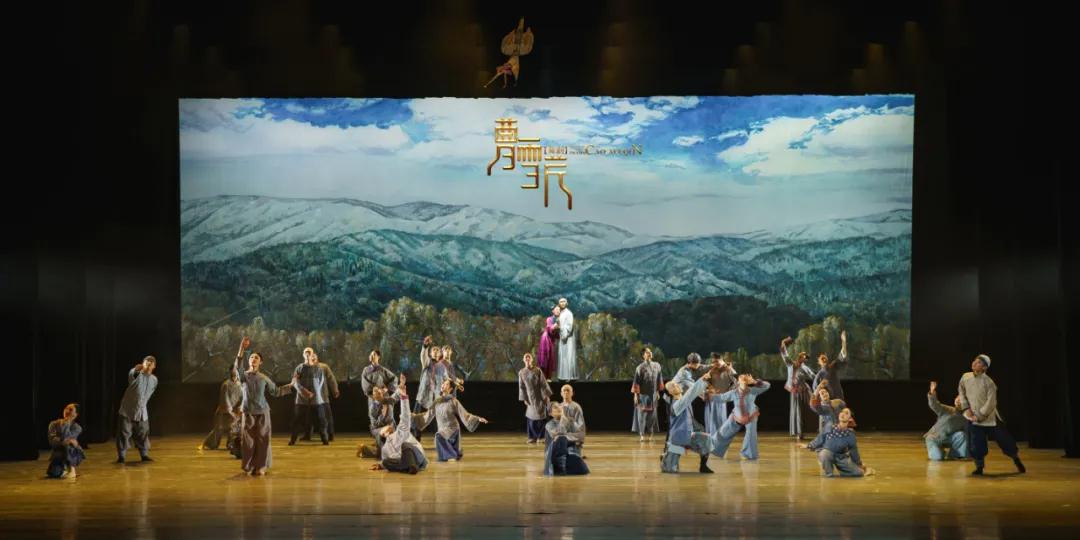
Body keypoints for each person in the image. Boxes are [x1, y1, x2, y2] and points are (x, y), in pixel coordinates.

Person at [234, 337, 294, 475]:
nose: (253, 359)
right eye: (251, 357)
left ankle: (261, 466)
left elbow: (276, 391)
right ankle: (249, 466)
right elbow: (238, 365)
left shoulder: (264, 378)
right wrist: (242, 348)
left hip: (262, 412)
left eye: (256, 358)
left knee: (263, 440)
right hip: (248, 412)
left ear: (260, 362)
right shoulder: (243, 376)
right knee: (248, 441)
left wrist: (291, 385)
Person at [958, 354, 1025, 475]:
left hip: (990, 419)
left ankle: (1015, 458)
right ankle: (979, 467)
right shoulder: (965, 377)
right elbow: (961, 391)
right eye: (974, 361)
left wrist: (979, 416)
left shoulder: (989, 383)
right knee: (976, 444)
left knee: (1005, 441)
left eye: (978, 362)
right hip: (973, 418)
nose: (974, 363)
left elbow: (991, 402)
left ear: (984, 367)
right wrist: (966, 408)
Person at [416, 379, 489, 461]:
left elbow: (464, 414)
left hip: (453, 429)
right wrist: (412, 417)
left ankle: (451, 455)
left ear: (450, 389)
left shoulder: (453, 401)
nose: (443, 385)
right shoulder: (437, 401)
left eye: (446, 384)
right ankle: (453, 453)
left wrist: (477, 418)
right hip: (442, 430)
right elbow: (427, 415)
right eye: (443, 383)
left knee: (438, 436)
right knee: (440, 436)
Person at [371, 375, 428, 474]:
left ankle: (411, 466)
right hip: (402, 461)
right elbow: (374, 424)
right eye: (377, 394)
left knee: (405, 445)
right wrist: (381, 465)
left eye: (381, 393)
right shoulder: (385, 449)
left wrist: (403, 395)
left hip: (415, 457)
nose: (380, 395)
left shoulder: (400, 430)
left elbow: (405, 415)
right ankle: (406, 467)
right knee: (385, 462)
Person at [661, 371, 715, 473]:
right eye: (673, 386)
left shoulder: (684, 401)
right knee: (670, 469)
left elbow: (691, 392)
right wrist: (702, 380)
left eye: (676, 384)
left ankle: (703, 466)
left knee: (707, 440)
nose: (676, 385)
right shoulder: (676, 405)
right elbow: (691, 393)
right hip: (677, 439)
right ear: (670, 393)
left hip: (688, 436)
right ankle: (666, 457)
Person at [712, 374, 771, 460]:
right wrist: (708, 396)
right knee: (724, 431)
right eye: (742, 378)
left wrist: (755, 382)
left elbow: (767, 386)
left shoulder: (753, 391)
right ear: (738, 382)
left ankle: (749, 454)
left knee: (751, 435)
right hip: (736, 416)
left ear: (747, 382)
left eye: (745, 379)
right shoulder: (734, 393)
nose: (743, 379)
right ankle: (713, 447)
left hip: (751, 416)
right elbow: (721, 398)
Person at [116, 355, 159, 464]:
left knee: (143, 433)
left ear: (154, 366)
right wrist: (138, 368)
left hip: (142, 411)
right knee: (124, 433)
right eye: (147, 362)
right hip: (127, 410)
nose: (149, 363)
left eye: (151, 362)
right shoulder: (135, 375)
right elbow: (134, 372)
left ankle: (144, 455)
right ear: (143, 364)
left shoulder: (154, 380)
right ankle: (121, 456)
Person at [810, 408, 875, 477]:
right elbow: (820, 438)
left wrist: (859, 464)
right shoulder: (830, 426)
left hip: (841, 457)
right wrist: (810, 445)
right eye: (842, 412)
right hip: (828, 453)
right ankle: (829, 473)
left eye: (846, 413)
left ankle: (860, 469)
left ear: (850, 419)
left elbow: (854, 451)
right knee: (824, 454)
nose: (843, 414)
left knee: (858, 473)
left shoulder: (850, 434)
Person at [289, 347, 335, 445]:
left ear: (312, 355)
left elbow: (321, 382)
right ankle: (293, 439)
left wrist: (316, 393)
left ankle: (325, 439)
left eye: (309, 352)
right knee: (297, 420)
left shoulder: (319, 369)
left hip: (316, 400)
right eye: (306, 352)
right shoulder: (299, 368)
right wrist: (304, 391)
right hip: (301, 400)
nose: (307, 354)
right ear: (303, 354)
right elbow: (295, 382)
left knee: (322, 420)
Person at [780, 336, 817, 439]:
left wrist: (821, 381)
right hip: (795, 390)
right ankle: (798, 432)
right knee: (797, 411)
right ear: (800, 357)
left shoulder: (805, 367)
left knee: (808, 408)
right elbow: (785, 355)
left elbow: (813, 376)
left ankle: (804, 431)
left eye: (806, 358)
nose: (805, 359)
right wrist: (783, 342)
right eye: (804, 357)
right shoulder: (790, 364)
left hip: (803, 390)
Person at [925, 380, 969, 461]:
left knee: (962, 434)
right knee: (938, 457)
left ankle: (955, 455)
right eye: (957, 398)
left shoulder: (964, 418)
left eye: (961, 400)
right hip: (934, 437)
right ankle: (940, 451)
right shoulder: (947, 409)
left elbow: (966, 435)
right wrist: (932, 392)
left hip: (948, 439)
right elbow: (934, 405)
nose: (958, 401)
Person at [200, 368, 242, 451]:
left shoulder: (239, 384)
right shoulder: (226, 384)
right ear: (230, 372)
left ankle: (231, 445)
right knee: (219, 429)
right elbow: (224, 399)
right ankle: (209, 444)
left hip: (234, 411)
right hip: (223, 411)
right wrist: (230, 411)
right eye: (233, 371)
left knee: (233, 429)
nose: (235, 373)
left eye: (236, 370)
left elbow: (241, 398)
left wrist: (239, 408)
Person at [703, 352, 737, 454]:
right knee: (710, 421)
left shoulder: (728, 370)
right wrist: (710, 389)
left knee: (720, 421)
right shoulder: (712, 370)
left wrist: (727, 392)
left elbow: (736, 382)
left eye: (716, 361)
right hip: (712, 399)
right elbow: (706, 382)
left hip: (721, 399)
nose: (715, 364)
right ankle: (711, 442)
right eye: (713, 362)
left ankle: (720, 443)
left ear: (722, 360)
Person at [543, 403, 589, 476]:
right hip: (554, 454)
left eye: (559, 405)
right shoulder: (549, 424)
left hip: (569, 451)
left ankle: (563, 468)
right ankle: (559, 468)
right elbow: (558, 435)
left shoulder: (571, 421)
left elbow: (580, 436)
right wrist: (563, 419)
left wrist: (567, 436)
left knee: (583, 469)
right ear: (550, 413)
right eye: (555, 407)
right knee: (561, 439)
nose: (559, 407)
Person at [631, 347, 664, 442]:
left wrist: (657, 392)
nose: (649, 353)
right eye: (647, 352)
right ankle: (642, 435)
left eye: (650, 352)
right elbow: (636, 382)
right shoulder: (640, 367)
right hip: (643, 395)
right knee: (642, 416)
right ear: (643, 355)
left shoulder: (657, 366)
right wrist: (636, 395)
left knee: (652, 416)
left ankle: (650, 434)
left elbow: (659, 379)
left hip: (653, 394)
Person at [518, 352, 552, 443]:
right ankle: (532, 437)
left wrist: (546, 395)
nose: (527, 359)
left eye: (529, 357)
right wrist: (524, 398)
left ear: (532, 359)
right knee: (531, 416)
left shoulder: (537, 370)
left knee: (542, 416)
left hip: (539, 395)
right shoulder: (521, 372)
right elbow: (521, 387)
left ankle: (542, 437)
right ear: (523, 360)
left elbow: (543, 383)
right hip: (529, 397)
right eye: (526, 357)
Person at [47, 403, 85, 479]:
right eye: (66, 408)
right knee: (54, 473)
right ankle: (64, 470)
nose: (67, 411)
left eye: (70, 410)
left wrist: (66, 423)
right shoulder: (53, 424)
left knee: (69, 445)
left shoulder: (77, 428)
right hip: (59, 454)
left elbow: (67, 438)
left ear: (76, 414)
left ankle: (72, 469)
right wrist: (64, 441)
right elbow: (52, 441)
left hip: (72, 453)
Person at [556, 298, 577, 381]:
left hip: (568, 338)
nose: (562, 303)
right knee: (563, 356)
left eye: (564, 301)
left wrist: (562, 329)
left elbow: (569, 327)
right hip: (562, 337)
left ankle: (569, 376)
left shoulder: (569, 313)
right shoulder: (560, 313)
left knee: (569, 355)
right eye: (561, 302)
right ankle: (563, 376)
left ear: (567, 303)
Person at [538, 305, 560, 379]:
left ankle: (548, 378)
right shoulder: (549, 319)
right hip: (546, 339)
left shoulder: (560, 319)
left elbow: (558, 334)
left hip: (551, 340)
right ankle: (543, 378)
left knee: (550, 358)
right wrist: (556, 326)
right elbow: (549, 328)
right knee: (545, 358)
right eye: (556, 309)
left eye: (559, 310)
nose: (558, 311)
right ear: (553, 311)